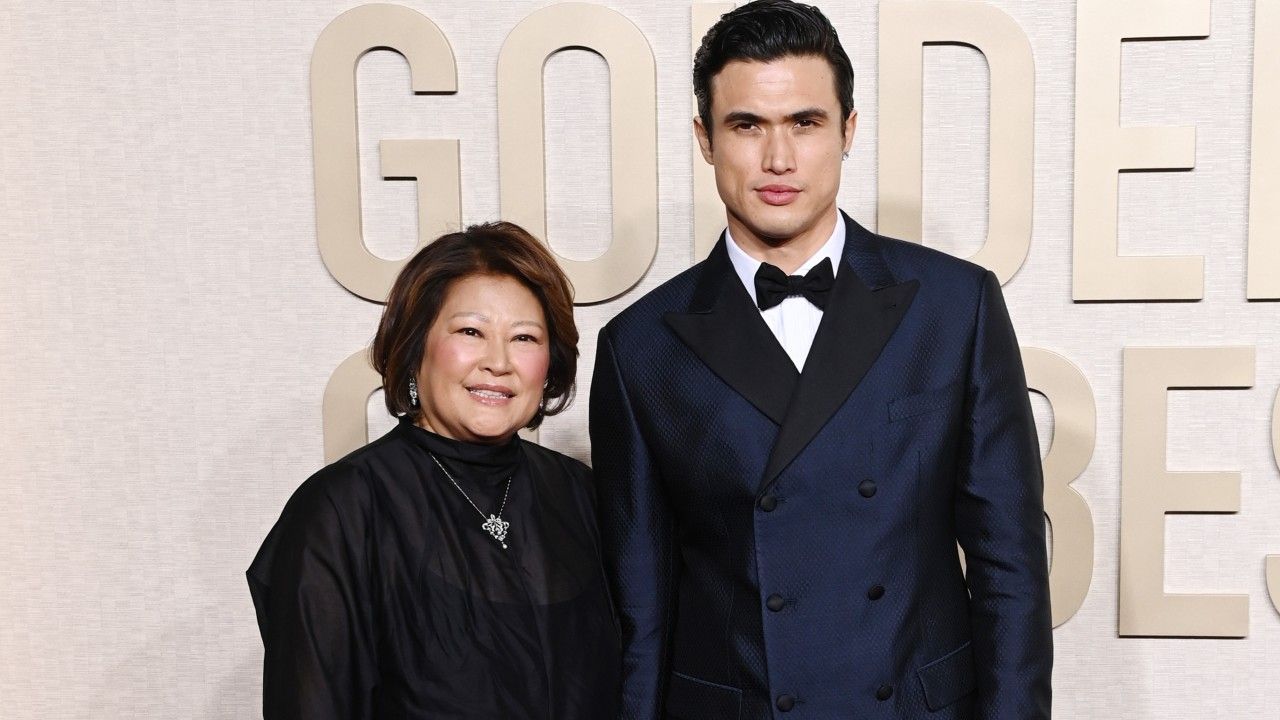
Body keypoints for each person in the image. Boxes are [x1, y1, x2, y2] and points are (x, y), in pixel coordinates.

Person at [590, 1, 1052, 718]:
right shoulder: (641, 347)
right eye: (747, 125)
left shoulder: (955, 307)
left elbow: (1010, 570)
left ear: (848, 131)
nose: (779, 160)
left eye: (805, 123)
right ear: (705, 140)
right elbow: (643, 613)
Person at [247, 222, 619, 719]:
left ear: (550, 364)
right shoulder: (342, 510)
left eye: (525, 337)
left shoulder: (582, 495)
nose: (499, 362)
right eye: (470, 332)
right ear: (416, 344)